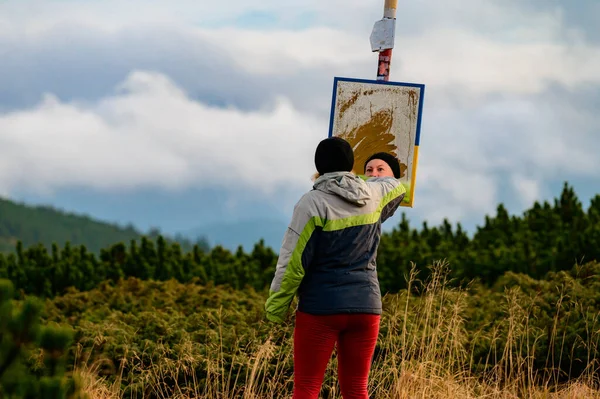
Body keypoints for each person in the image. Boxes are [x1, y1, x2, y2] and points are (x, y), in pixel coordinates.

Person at [264, 137, 406, 399]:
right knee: (356, 389)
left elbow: (293, 263)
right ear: (352, 165)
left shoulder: (311, 202)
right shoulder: (373, 195)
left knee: (306, 388)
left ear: (318, 167)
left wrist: (276, 308)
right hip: (366, 307)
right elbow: (397, 186)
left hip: (321, 308)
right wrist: (365, 180)